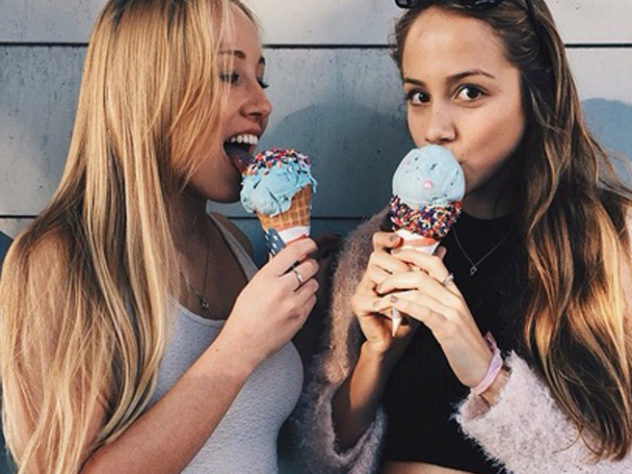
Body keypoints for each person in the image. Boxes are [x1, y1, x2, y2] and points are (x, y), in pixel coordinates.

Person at [295, 0, 632, 473]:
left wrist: (486, 373)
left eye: (470, 92)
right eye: (419, 96)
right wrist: (376, 357)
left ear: (535, 93)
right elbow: (315, 459)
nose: (435, 129)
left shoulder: (611, 242)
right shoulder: (375, 247)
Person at [0, 1, 321, 472]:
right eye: (229, 76)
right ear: (150, 91)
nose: (262, 104)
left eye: (261, 79)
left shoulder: (233, 243)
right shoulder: (61, 262)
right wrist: (238, 349)